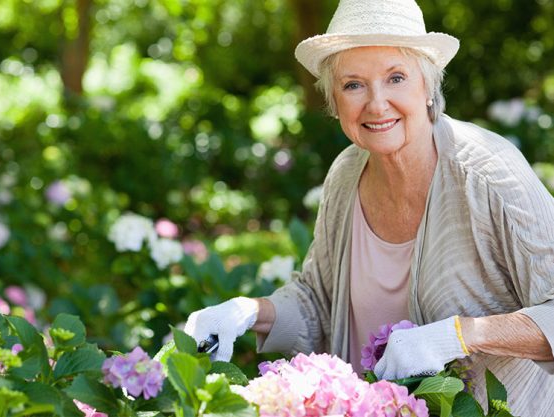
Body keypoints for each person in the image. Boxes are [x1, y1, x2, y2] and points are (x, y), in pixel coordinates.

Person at [184, 0, 554, 414]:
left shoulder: (488, 174)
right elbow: (316, 303)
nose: (376, 103)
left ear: (428, 87)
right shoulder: (346, 173)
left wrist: (458, 335)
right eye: (353, 84)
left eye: (396, 78)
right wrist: (246, 312)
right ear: (334, 101)